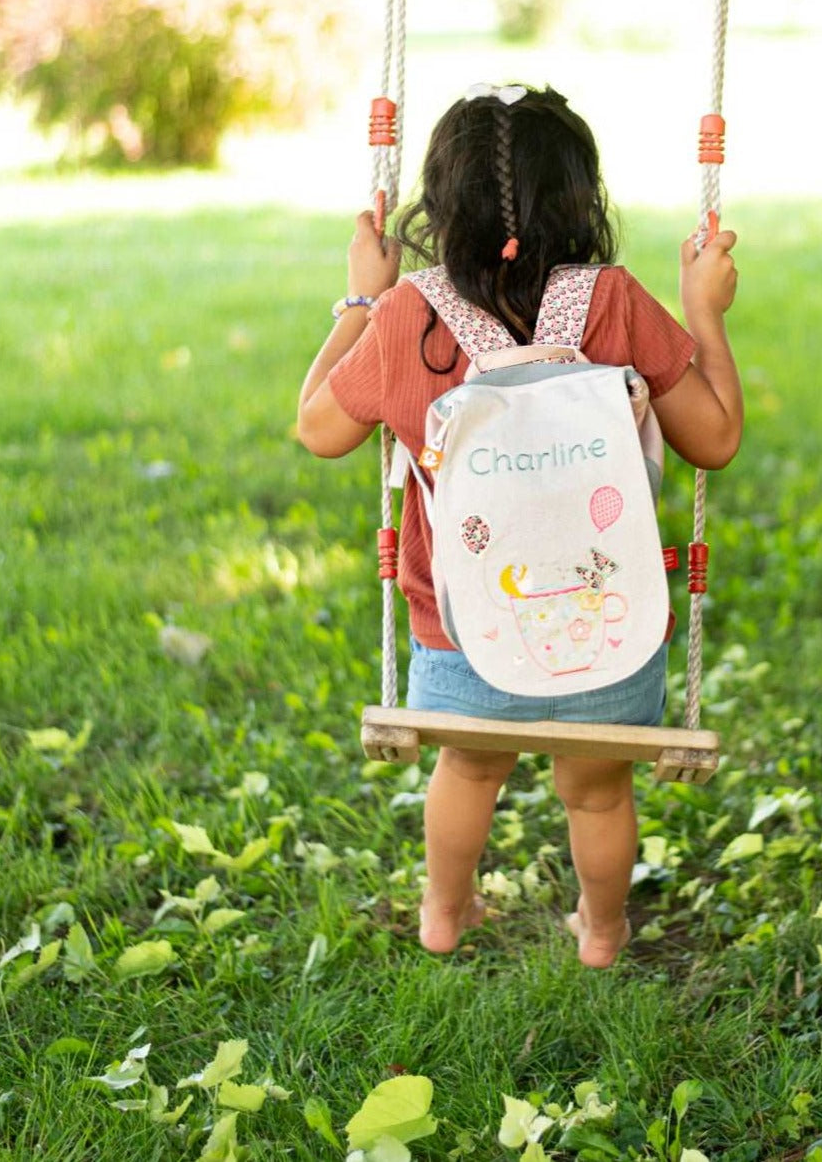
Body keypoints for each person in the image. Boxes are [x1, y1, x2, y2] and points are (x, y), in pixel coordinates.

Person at [297, 84, 742, 968]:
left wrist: (357, 302)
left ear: (439, 206)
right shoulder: (612, 301)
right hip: (608, 628)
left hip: (465, 637)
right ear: (581, 199)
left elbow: (317, 429)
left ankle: (441, 914)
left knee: (466, 769)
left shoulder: (404, 317)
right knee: (597, 791)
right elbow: (715, 438)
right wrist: (705, 314)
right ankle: (603, 932)